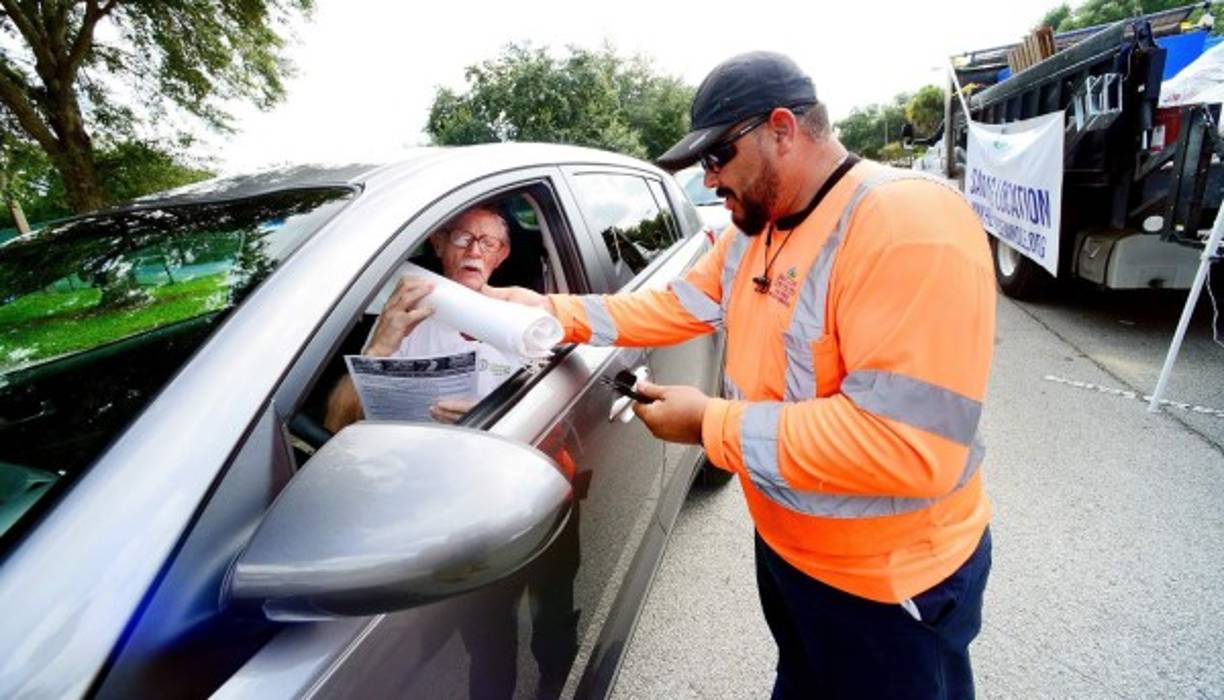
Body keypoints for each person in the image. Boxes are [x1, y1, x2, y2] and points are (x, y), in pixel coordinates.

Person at [491, 51, 996, 698]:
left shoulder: (905, 226)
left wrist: (708, 423)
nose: (709, 181)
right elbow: (675, 305)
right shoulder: (754, 234)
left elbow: (905, 444)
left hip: (889, 584)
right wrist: (551, 311)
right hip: (793, 555)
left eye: (718, 158)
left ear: (782, 129)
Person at [324, 205, 523, 431]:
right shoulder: (403, 314)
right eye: (462, 238)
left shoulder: (523, 323)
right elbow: (337, 425)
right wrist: (378, 350)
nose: (474, 252)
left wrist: (489, 419)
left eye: (489, 244)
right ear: (438, 244)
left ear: (500, 255)